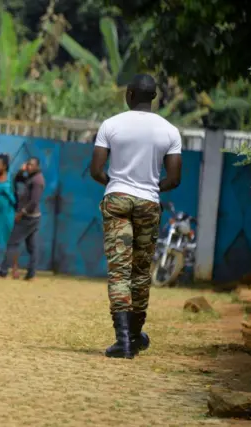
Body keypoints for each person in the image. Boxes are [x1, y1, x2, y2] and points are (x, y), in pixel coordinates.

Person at [90, 74, 182, 359]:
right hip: (148, 202)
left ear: (129, 95)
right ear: (154, 97)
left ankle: (123, 342)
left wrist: (116, 186)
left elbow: (95, 170)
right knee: (141, 272)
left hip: (116, 198)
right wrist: (152, 187)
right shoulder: (170, 131)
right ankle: (134, 335)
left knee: (119, 270)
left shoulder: (111, 125)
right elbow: (174, 177)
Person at [0, 157, 45, 281]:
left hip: (28, 217)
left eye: (31, 165)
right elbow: (17, 180)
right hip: (31, 217)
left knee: (13, 243)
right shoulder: (30, 177)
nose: (28, 167)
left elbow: (34, 202)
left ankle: (3, 271)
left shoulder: (37, 180)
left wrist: (21, 213)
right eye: (27, 164)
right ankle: (31, 274)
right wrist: (21, 170)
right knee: (32, 246)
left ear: (37, 167)